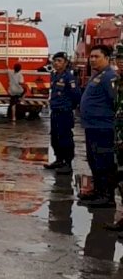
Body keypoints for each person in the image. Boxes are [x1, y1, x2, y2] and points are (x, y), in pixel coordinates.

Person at [78, 44, 118, 208]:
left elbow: (114, 101)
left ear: (107, 58)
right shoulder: (97, 75)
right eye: (91, 57)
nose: (92, 60)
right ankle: (98, 191)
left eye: (97, 57)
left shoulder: (109, 77)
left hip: (103, 127)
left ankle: (107, 196)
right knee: (94, 161)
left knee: (103, 162)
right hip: (92, 126)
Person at [44, 52, 81, 174]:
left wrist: (69, 107)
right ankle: (59, 160)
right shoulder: (54, 75)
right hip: (55, 112)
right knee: (55, 137)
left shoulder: (69, 77)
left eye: (59, 61)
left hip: (64, 113)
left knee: (65, 138)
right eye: (54, 61)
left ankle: (68, 164)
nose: (56, 63)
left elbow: (76, 95)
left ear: (65, 63)